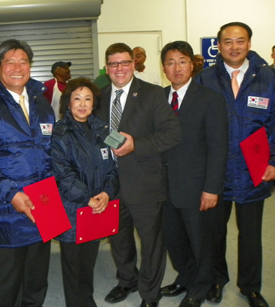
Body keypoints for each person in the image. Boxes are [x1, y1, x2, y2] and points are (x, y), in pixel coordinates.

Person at [0, 39, 55, 307]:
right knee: (8, 284)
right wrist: (12, 193)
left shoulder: (42, 103)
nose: (17, 68)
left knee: (37, 279)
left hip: (44, 203)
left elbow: (52, 150)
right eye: (10, 62)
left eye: (23, 62)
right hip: (8, 207)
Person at [194, 21, 275, 307]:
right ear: (219, 45)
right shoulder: (204, 79)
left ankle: (251, 287)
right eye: (228, 41)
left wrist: (274, 161)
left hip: (255, 171)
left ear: (249, 44)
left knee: (251, 235)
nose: (234, 47)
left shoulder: (268, 77)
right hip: (216, 173)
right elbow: (196, 126)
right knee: (214, 233)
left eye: (240, 41)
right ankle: (217, 280)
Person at [98, 42, 181, 307]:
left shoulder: (152, 94)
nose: (119, 68)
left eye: (124, 62)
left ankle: (149, 293)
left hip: (145, 182)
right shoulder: (98, 97)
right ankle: (127, 281)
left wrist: (137, 145)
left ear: (133, 64)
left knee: (151, 243)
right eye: (114, 64)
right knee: (119, 239)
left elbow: (172, 134)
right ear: (107, 67)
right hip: (110, 184)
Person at [159, 41, 229, 307]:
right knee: (175, 241)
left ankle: (199, 288)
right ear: (163, 67)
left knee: (201, 242)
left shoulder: (209, 98)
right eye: (170, 62)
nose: (176, 67)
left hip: (197, 186)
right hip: (164, 187)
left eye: (182, 61)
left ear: (192, 64)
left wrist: (212, 188)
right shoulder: (158, 97)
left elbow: (218, 147)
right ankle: (185, 278)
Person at [51, 77, 119, 307]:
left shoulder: (103, 130)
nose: (82, 104)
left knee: (88, 263)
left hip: (98, 207)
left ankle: (87, 301)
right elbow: (62, 174)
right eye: (77, 98)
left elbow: (114, 167)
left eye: (87, 99)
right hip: (73, 208)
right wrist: (87, 198)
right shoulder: (59, 132)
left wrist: (107, 193)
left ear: (94, 104)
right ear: (67, 103)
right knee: (73, 267)